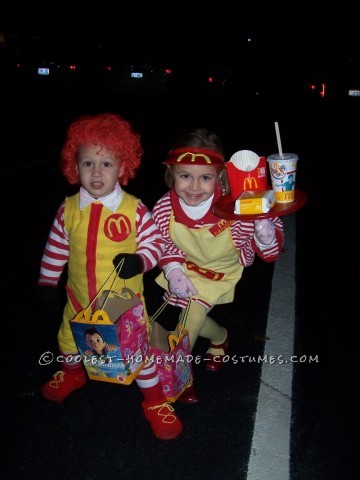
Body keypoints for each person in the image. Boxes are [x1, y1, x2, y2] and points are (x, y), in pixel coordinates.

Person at [38, 112, 182, 440]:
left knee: (138, 354)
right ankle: (72, 373)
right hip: (78, 300)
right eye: (88, 163)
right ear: (75, 166)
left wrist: (139, 261)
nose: (96, 172)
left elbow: (155, 245)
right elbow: (55, 249)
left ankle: (155, 402)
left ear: (123, 167)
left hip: (122, 306)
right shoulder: (68, 210)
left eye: (106, 164)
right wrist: (47, 283)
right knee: (68, 340)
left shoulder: (134, 209)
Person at [151, 128, 284, 404]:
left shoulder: (238, 205)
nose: (195, 187)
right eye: (185, 176)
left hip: (219, 273)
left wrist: (265, 233)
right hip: (186, 270)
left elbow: (270, 254)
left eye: (206, 178)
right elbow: (163, 242)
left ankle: (179, 375)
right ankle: (220, 337)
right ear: (172, 174)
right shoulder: (164, 208)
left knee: (188, 322)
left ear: (220, 177)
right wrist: (173, 269)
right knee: (194, 317)